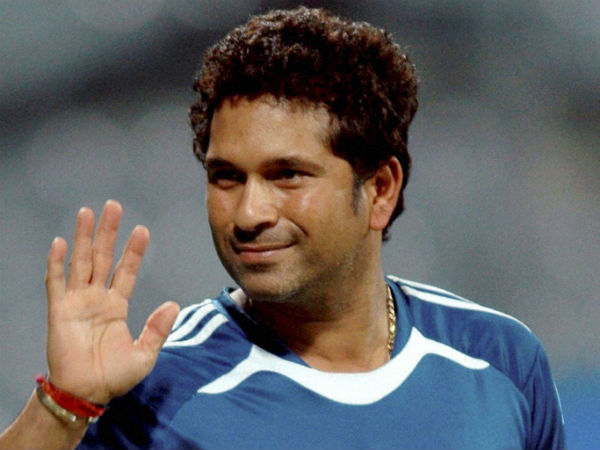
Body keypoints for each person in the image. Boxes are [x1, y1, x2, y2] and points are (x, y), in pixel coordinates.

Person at [0, 7, 565, 450]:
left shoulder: (501, 360)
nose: (249, 214)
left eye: (287, 175)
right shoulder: (156, 386)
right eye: (226, 177)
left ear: (380, 189)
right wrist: (64, 405)